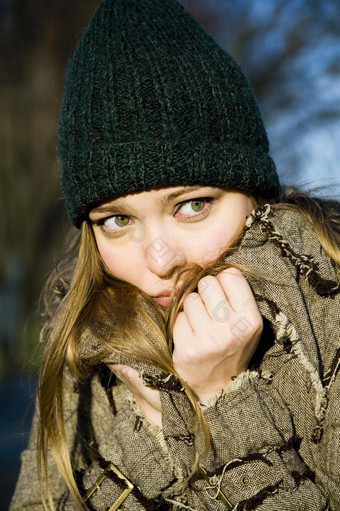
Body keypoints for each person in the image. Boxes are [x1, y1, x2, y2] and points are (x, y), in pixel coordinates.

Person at [10, 0, 340, 509]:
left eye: (192, 206)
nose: (160, 260)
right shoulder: (81, 347)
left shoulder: (326, 314)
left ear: (252, 192)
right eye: (118, 220)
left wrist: (220, 407)